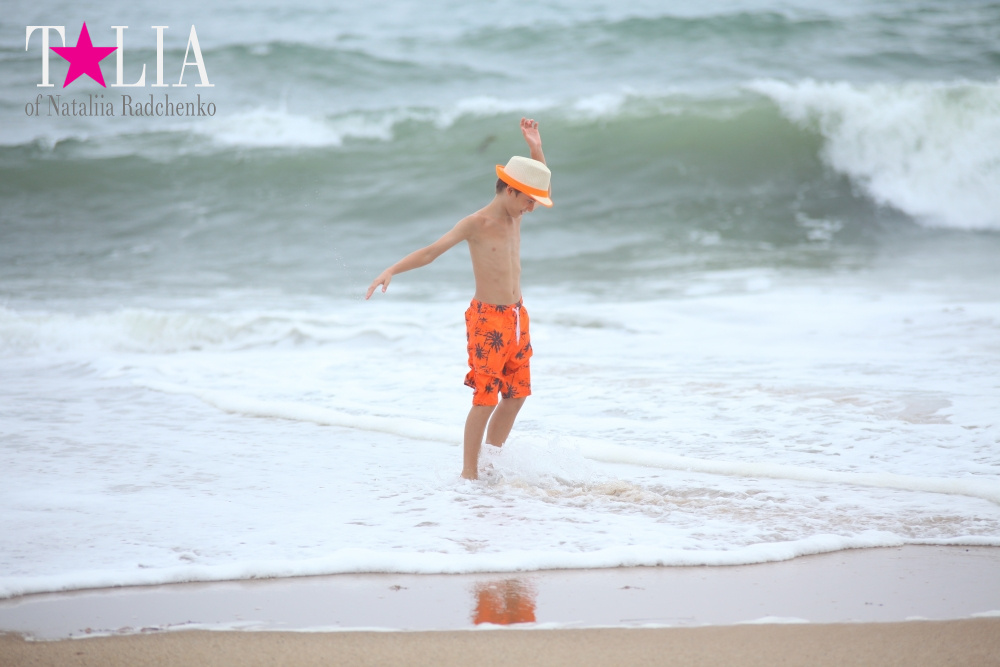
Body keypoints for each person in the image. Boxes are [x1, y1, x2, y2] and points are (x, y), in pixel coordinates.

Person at [365, 117, 552, 479]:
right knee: (484, 399)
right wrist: (392, 270)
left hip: (516, 317)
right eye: (529, 201)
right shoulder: (477, 224)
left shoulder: (517, 216)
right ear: (510, 190)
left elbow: (538, 175)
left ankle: (492, 463)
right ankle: (469, 475)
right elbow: (431, 252)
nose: (532, 209)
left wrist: (535, 147)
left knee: (516, 395)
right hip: (488, 321)